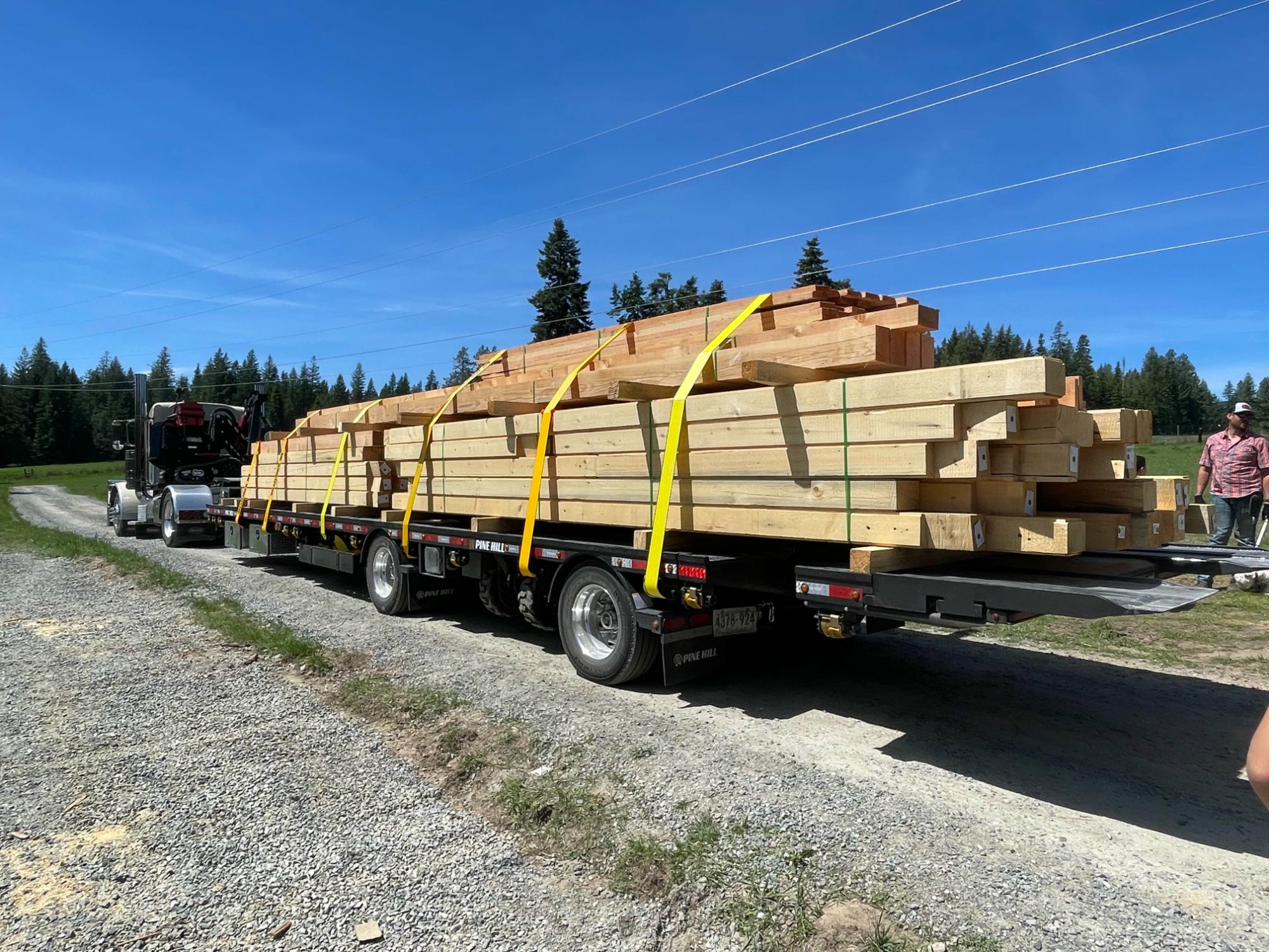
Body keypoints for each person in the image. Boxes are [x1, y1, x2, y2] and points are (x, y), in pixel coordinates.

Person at [1194, 401, 1268, 547]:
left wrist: (1268, 501)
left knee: (1245, 538)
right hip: (1220, 496)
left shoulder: (1258, 441)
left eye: (1249, 416)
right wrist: (1198, 493)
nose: (1246, 419)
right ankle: (1210, 568)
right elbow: (1205, 467)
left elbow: (1267, 472)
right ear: (1229, 416)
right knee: (1220, 534)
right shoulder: (1213, 440)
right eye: (1241, 415)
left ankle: (1245, 569)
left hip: (1248, 496)